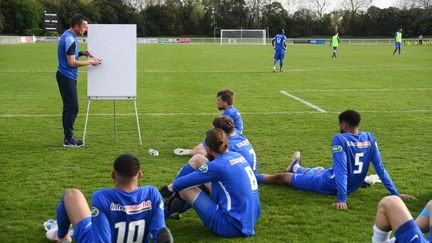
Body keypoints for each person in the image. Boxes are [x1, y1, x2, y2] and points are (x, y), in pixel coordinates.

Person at [256, 110, 416, 209]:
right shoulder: (370, 138)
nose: (339, 127)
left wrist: (342, 199)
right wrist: (395, 193)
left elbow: (341, 171)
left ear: (344, 124)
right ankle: (296, 166)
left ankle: (250, 176)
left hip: (328, 184)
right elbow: (380, 168)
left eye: (340, 124)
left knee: (281, 177)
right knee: (319, 170)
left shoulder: (340, 140)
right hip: (344, 182)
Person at [44, 154, 173, 243]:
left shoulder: (102, 197)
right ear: (139, 174)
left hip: (95, 238)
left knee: (71, 194)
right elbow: (160, 232)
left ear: (113, 174)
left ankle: (62, 235)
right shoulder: (152, 193)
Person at [166, 128, 260, 237]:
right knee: (198, 159)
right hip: (250, 218)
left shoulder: (216, 166)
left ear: (209, 150)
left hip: (230, 226)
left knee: (185, 189)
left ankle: (166, 211)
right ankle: (173, 208)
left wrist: (180, 185)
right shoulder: (237, 155)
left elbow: (178, 184)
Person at [161, 116, 258, 198]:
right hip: (248, 179)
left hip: (234, 192)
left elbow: (215, 166)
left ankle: (168, 204)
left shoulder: (225, 152)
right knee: (199, 161)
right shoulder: (240, 138)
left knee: (188, 187)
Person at [56, 14, 101, 147]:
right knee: (72, 108)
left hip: (66, 76)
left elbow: (70, 55)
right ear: (76, 26)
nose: (85, 30)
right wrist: (90, 61)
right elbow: (71, 62)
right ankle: (68, 139)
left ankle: (68, 138)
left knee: (69, 107)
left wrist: (82, 53)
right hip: (66, 76)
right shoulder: (70, 39)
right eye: (84, 27)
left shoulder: (68, 35)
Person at [174, 89, 244, 156]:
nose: (217, 102)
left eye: (219, 100)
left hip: (230, 136)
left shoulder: (228, 113)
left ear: (225, 103)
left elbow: (219, 131)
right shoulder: (232, 110)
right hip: (234, 135)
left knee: (198, 150)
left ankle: (198, 153)